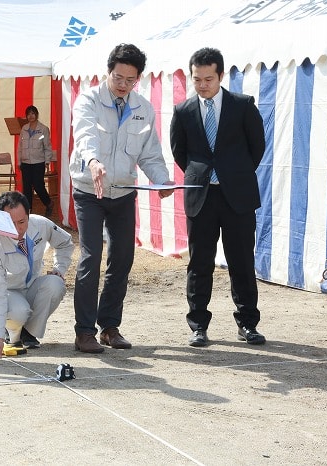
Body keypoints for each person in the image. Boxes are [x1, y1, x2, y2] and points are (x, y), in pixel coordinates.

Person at [69, 43, 174, 354]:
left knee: (123, 258)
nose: (123, 85)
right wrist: (93, 161)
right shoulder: (88, 100)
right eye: (118, 78)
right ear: (108, 71)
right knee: (91, 257)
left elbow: (150, 153)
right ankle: (84, 331)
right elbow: (84, 134)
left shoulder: (143, 108)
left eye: (130, 80)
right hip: (89, 190)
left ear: (138, 78)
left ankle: (110, 326)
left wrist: (161, 180)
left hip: (124, 193)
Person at [170, 47, 266, 347]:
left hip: (237, 195)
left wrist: (232, 173)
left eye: (208, 79)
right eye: (197, 79)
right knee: (200, 263)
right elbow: (179, 151)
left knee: (241, 261)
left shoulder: (243, 105)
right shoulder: (183, 111)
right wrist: (203, 175)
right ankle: (198, 325)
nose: (202, 85)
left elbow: (257, 146)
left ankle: (248, 324)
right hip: (201, 196)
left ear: (221, 76)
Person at [0, 191, 73, 358]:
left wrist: (59, 268)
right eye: (11, 223)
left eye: (22, 221)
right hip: (8, 292)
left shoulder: (41, 224)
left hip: (32, 285)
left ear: (29, 215)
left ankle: (28, 333)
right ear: (0, 220)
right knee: (20, 311)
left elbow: (65, 242)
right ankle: (11, 332)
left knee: (55, 284)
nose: (18, 229)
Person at [17, 105, 54, 216]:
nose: (31, 116)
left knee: (38, 186)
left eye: (33, 113)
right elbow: (19, 147)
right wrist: (19, 161)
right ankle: (28, 211)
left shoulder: (43, 129)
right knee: (27, 188)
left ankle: (49, 203)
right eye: (28, 114)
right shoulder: (24, 129)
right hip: (26, 163)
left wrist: (47, 161)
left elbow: (47, 147)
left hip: (39, 162)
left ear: (37, 115)